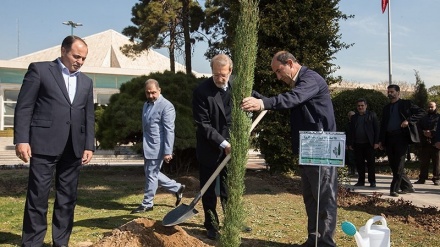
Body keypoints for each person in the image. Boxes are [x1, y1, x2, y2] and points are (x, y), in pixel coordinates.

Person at [241, 51, 337, 247]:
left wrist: (263, 103)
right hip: (309, 146)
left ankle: (325, 243)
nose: (278, 76)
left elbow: (292, 98)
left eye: (279, 71)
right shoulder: (301, 84)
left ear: (290, 63)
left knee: (324, 197)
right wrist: (258, 98)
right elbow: (290, 101)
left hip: (323, 146)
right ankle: (314, 239)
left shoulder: (310, 79)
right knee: (311, 197)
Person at [14, 35, 95, 247]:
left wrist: (89, 145)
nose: (80, 61)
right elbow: (24, 107)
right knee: (38, 197)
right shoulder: (40, 70)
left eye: (84, 58)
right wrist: (22, 139)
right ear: (63, 51)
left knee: (67, 199)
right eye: (76, 56)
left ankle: (61, 242)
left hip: (74, 147)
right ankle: (32, 242)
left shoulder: (87, 82)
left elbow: (88, 115)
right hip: (43, 145)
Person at [192, 54, 233, 240]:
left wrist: (263, 103)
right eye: (215, 74)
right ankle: (211, 225)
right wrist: (224, 143)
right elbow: (203, 124)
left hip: (231, 150)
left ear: (230, 71)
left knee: (228, 189)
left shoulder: (237, 87)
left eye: (222, 74)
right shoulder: (202, 91)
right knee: (209, 191)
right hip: (209, 148)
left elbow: (255, 99)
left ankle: (232, 221)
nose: (219, 78)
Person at [131, 79, 185, 213]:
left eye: (153, 93)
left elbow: (169, 130)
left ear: (159, 90)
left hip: (158, 146)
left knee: (151, 175)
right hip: (148, 145)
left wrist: (168, 151)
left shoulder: (166, 106)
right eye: (148, 93)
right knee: (152, 173)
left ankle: (147, 203)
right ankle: (177, 187)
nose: (150, 96)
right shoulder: (146, 104)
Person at [378, 84, 425, 197]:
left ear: (398, 93)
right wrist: (380, 141)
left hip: (401, 137)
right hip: (389, 138)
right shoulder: (386, 108)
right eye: (388, 92)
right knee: (393, 164)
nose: (390, 94)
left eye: (392, 92)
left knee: (399, 163)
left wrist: (408, 121)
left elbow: (422, 112)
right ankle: (407, 186)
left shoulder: (406, 104)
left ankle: (394, 189)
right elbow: (383, 125)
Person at [347, 98, 380, 187]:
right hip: (357, 144)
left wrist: (376, 142)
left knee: (371, 164)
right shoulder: (354, 117)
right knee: (359, 164)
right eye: (358, 106)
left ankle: (372, 181)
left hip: (369, 144)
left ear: (366, 106)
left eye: (362, 105)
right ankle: (361, 181)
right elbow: (350, 131)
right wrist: (349, 143)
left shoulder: (372, 115)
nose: (360, 107)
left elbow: (377, 129)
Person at [414, 101, 439, 185]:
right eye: (429, 107)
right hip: (425, 143)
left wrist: (431, 132)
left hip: (436, 143)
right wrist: (424, 132)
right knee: (424, 162)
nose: (430, 108)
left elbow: (438, 128)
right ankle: (422, 178)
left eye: (432, 107)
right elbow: (418, 127)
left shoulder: (438, 117)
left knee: (437, 162)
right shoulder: (423, 118)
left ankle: (437, 178)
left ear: (436, 107)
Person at [345, 111, 356, 175]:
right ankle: (352, 170)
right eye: (350, 116)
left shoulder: (357, 124)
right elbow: (346, 135)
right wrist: (347, 144)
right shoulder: (347, 125)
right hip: (349, 144)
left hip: (357, 143)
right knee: (350, 158)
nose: (351, 117)